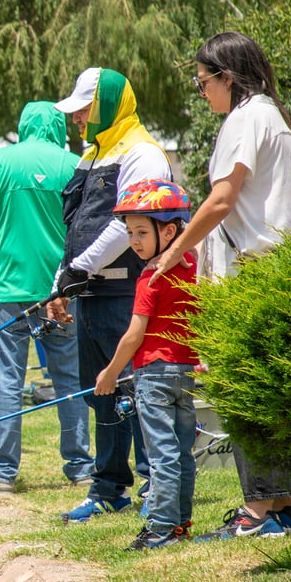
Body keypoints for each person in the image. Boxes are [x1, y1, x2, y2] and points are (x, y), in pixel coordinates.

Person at [152, 32, 291, 540]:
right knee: (265, 394)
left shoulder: (243, 119)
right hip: (277, 271)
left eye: (203, 83)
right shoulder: (275, 118)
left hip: (250, 276)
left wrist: (173, 252)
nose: (202, 93)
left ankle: (259, 510)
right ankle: (280, 507)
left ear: (227, 77)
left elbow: (222, 200)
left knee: (242, 393)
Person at [48, 67, 170, 522]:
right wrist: (60, 281)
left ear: (108, 106)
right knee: (101, 393)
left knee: (137, 393)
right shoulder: (90, 156)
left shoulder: (143, 154)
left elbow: (129, 225)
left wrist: (82, 267)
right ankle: (109, 487)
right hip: (89, 294)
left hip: (127, 295)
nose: (78, 118)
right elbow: (75, 229)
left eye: (85, 109)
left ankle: (155, 484)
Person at [0, 101, 94, 493]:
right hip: (63, 293)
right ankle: (81, 467)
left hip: (10, 291)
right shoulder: (76, 165)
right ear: (59, 127)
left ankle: (1, 472)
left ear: (22, 125)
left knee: (6, 381)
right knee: (70, 380)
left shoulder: (0, 162)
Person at [93, 179, 199, 549]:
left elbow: (134, 335)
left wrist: (109, 373)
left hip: (153, 375)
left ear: (168, 230)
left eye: (141, 231)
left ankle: (161, 528)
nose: (134, 241)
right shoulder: (191, 266)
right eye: (129, 232)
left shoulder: (149, 276)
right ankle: (181, 524)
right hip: (185, 371)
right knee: (182, 452)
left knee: (162, 455)